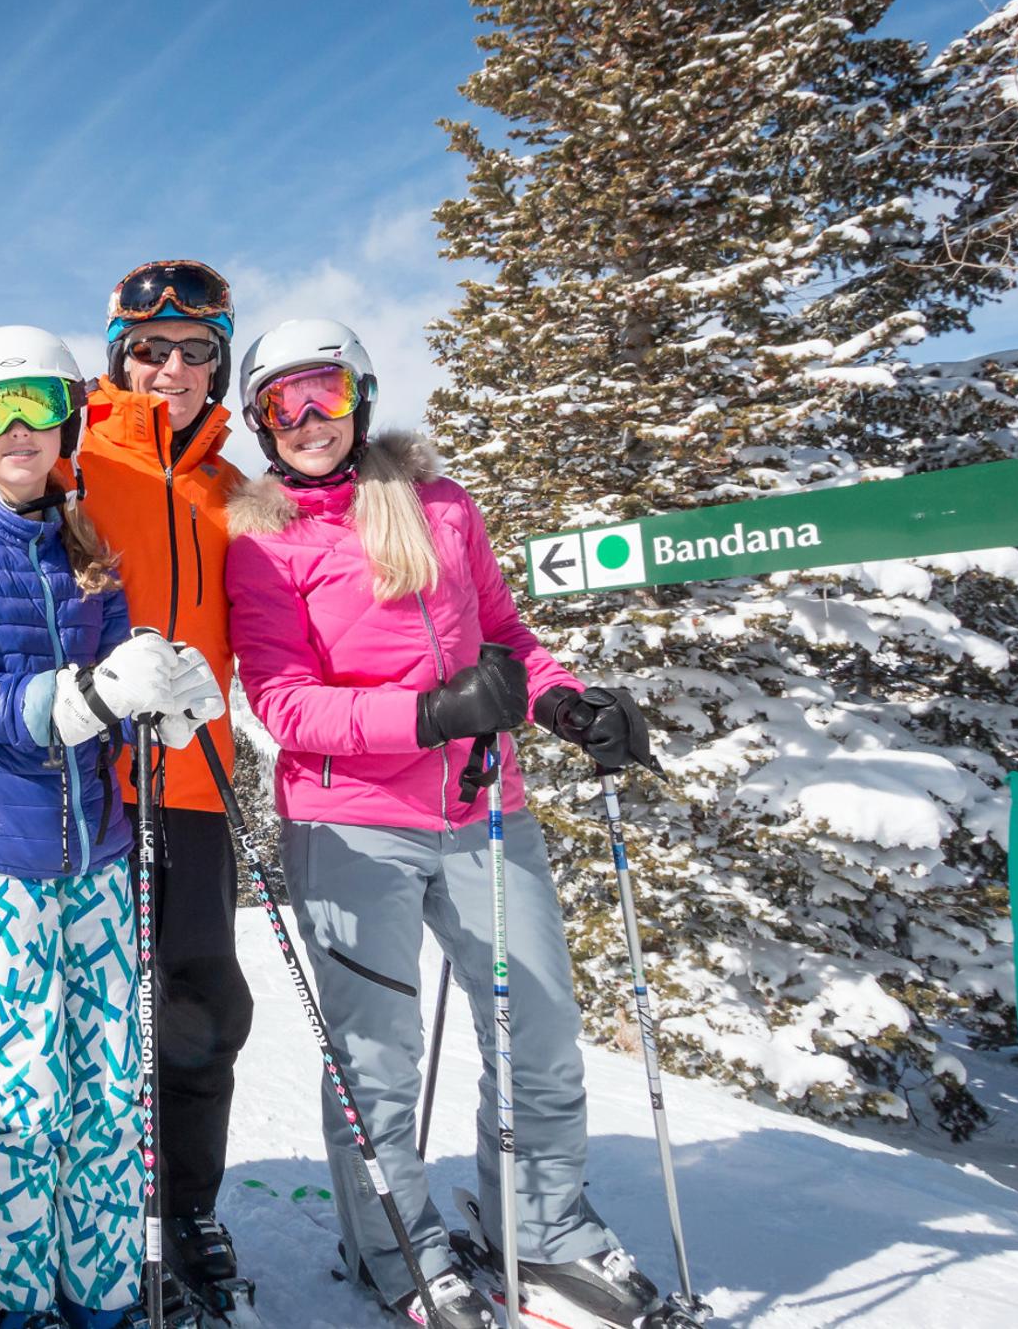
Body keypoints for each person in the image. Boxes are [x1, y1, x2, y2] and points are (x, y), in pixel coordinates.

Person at [224, 319, 665, 1329]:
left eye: (323, 393)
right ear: (259, 421)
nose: (305, 420)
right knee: (374, 1059)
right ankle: (398, 1252)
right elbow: (284, 706)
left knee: (540, 1026)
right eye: (281, 404)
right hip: (350, 821)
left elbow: (506, 640)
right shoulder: (262, 539)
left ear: (361, 394)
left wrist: (564, 703)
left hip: (481, 807)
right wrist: (425, 714)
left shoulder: (442, 506)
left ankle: (541, 1227)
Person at [0, 326, 221, 1329]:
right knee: (28, 1088)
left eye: (39, 403)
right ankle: (10, 1294)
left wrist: (169, 692)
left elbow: (123, 663)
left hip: (97, 849)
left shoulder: (86, 545)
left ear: (68, 418)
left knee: (110, 1083)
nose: (21, 429)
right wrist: (77, 697)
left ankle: (104, 1291)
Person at [57, 259, 255, 1307]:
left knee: (200, 1002)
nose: (170, 367)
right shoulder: (73, 458)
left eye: (194, 352)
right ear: (116, 358)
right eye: (149, 349)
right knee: (85, 1011)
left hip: (193, 781)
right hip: (85, 781)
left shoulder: (231, 486)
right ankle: (80, 1202)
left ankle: (184, 1205)